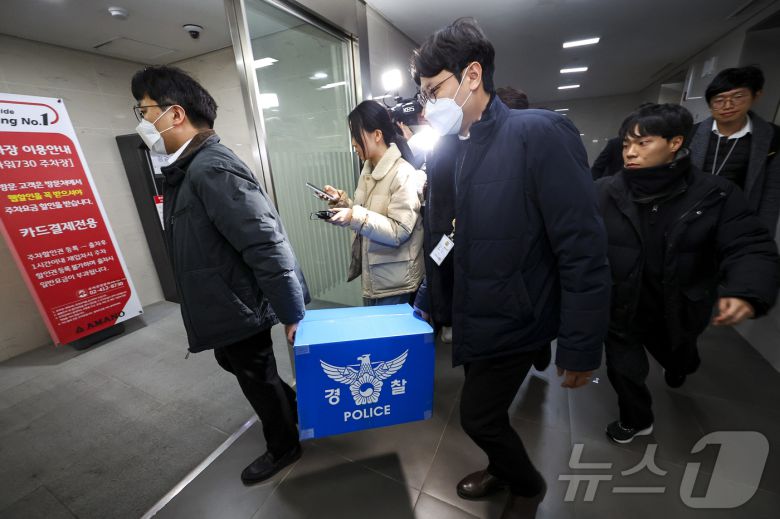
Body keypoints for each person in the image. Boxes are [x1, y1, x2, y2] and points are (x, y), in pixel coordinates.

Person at [411, 18, 611, 518]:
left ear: (472, 74)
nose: (427, 105)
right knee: (491, 412)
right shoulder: (449, 150)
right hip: (471, 310)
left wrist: (580, 344)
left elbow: (582, 247)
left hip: (517, 315)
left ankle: (527, 484)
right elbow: (446, 237)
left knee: (478, 417)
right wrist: (430, 298)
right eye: (423, 94)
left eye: (434, 90)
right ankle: (502, 468)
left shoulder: (538, 133)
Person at [131, 66, 308, 485]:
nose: (142, 122)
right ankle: (294, 410)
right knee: (235, 362)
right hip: (225, 300)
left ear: (175, 114)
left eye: (145, 110)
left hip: (239, 300)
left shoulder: (210, 168)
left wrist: (292, 313)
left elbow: (265, 243)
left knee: (255, 374)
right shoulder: (188, 168)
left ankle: (284, 445)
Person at [596, 103, 778, 444]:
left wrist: (746, 290)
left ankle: (680, 363)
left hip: (678, 302)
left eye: (643, 143)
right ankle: (636, 418)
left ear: (675, 142)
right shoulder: (604, 191)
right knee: (623, 367)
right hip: (621, 301)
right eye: (626, 144)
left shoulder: (715, 193)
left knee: (679, 355)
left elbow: (749, 244)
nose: (630, 153)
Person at [321, 100, 425, 306]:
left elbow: (399, 231)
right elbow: (369, 215)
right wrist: (342, 203)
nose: (353, 142)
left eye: (355, 134)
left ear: (377, 135)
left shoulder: (402, 173)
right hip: (377, 278)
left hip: (396, 282)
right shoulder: (368, 169)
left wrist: (354, 216)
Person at [687, 65, 780, 234]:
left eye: (738, 96)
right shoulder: (690, 133)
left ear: (756, 95)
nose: (727, 105)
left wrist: (762, 235)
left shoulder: (772, 138)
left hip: (737, 220)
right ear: (710, 103)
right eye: (719, 99)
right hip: (692, 217)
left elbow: (771, 193)